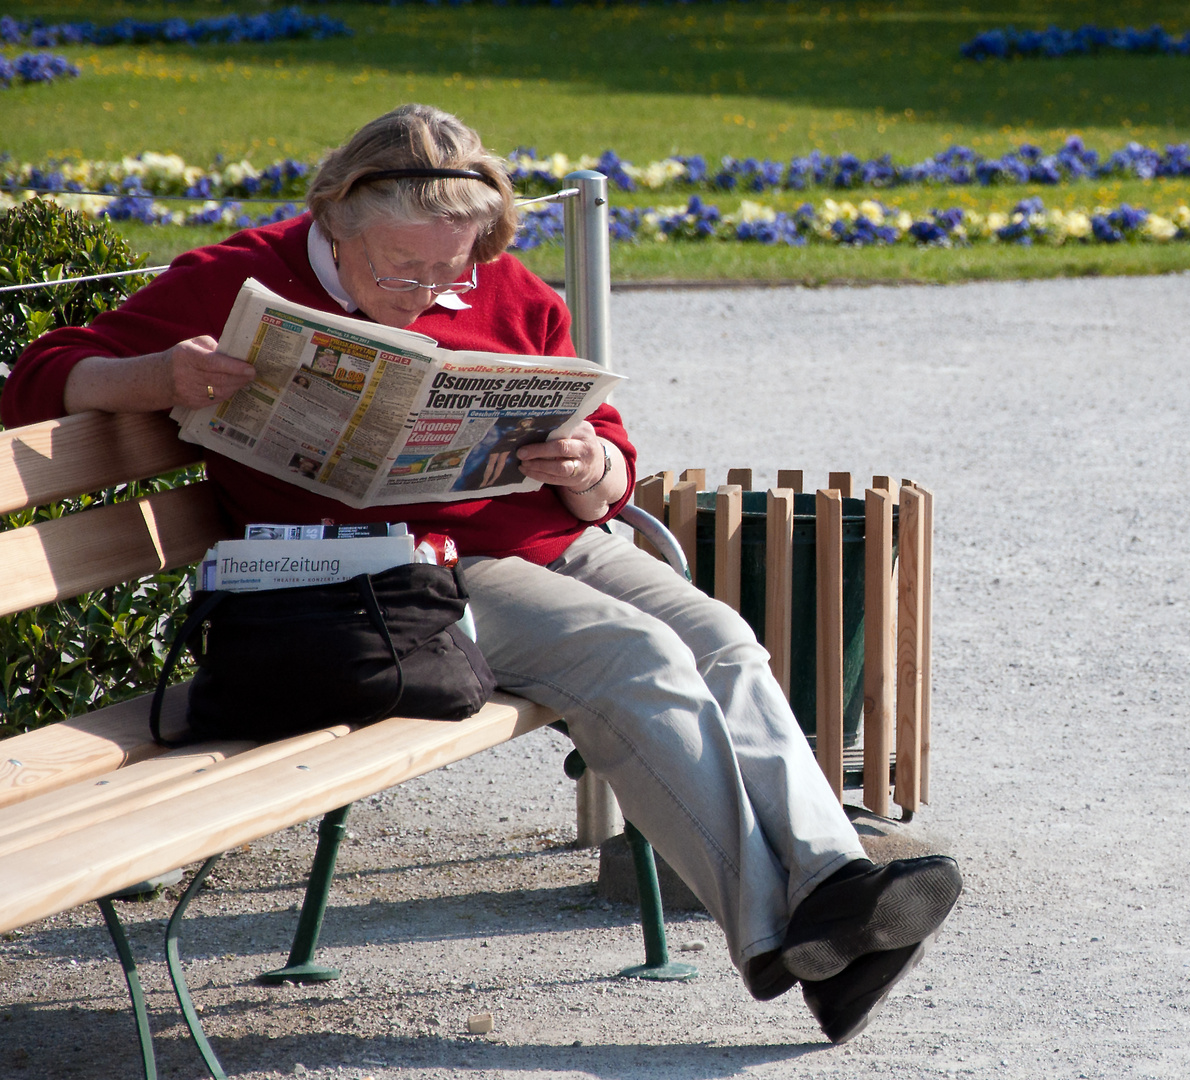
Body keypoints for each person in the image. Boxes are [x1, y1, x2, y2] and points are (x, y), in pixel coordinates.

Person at [0, 104, 961, 1044]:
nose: (426, 289)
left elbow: (607, 446)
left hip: (550, 541)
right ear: (334, 218)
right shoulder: (241, 278)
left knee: (720, 638)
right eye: (399, 268)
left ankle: (835, 891)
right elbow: (37, 379)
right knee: (634, 656)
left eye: (447, 267)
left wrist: (594, 469)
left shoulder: (510, 289)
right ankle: (783, 937)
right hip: (393, 580)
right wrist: (161, 376)